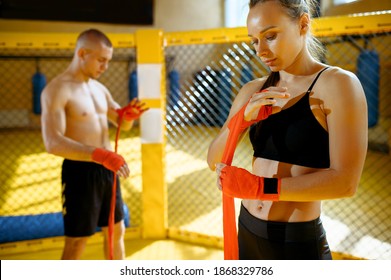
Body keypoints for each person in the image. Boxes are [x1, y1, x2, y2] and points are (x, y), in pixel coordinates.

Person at [207, 0, 368, 260]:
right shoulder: (252, 90)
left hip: (295, 242)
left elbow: (346, 183)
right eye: (254, 41)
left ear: (303, 24)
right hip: (247, 229)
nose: (261, 51)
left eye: (270, 36)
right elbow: (213, 161)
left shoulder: (337, 85)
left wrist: (261, 187)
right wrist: (241, 120)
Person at [41, 29, 147, 260]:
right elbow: (52, 142)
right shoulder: (57, 90)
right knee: (77, 240)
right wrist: (100, 155)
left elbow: (121, 123)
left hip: (107, 168)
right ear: (82, 53)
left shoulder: (100, 89)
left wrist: (126, 117)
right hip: (80, 170)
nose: (105, 67)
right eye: (101, 60)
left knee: (116, 230)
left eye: (108, 61)